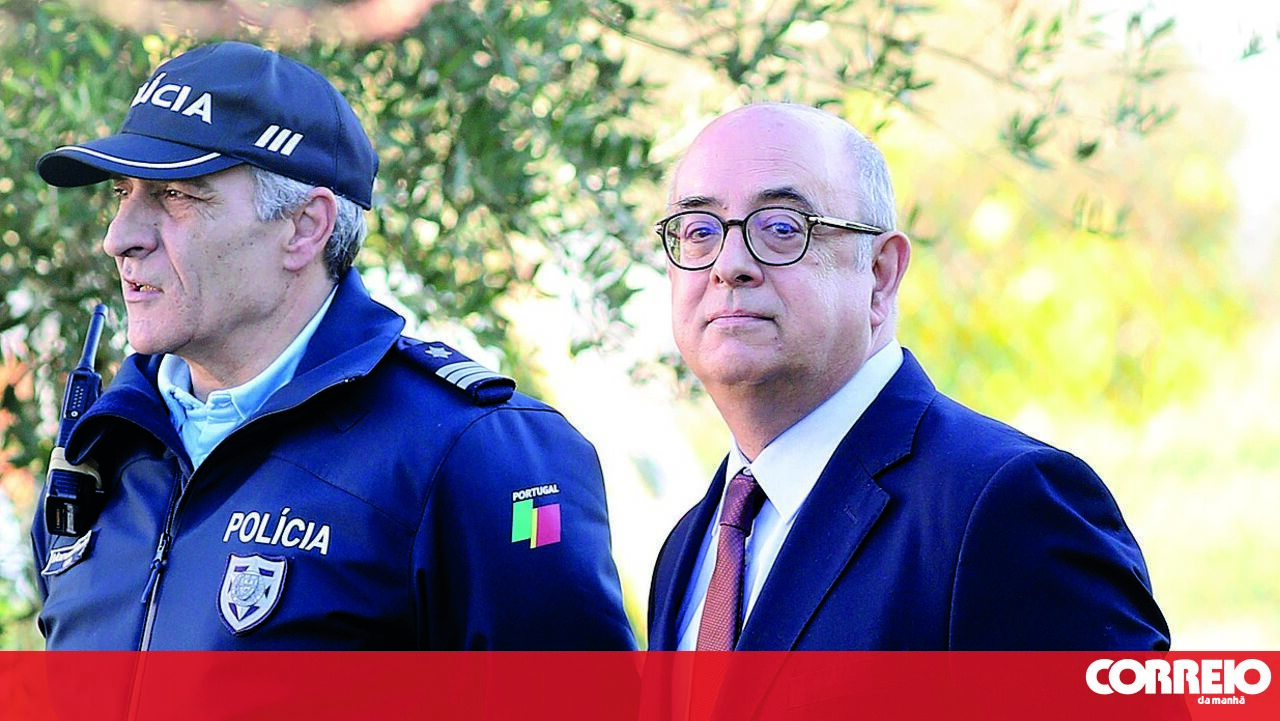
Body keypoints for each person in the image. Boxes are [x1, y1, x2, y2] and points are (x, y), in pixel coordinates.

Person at [31, 41, 635, 650]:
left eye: (176, 195)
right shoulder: (99, 452)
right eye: (123, 193)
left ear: (304, 227)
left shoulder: (473, 454)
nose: (120, 238)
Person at [647, 103, 1170, 653]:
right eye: (698, 231)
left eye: (782, 228)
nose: (729, 265)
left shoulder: (1007, 506)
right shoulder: (692, 547)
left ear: (880, 273)